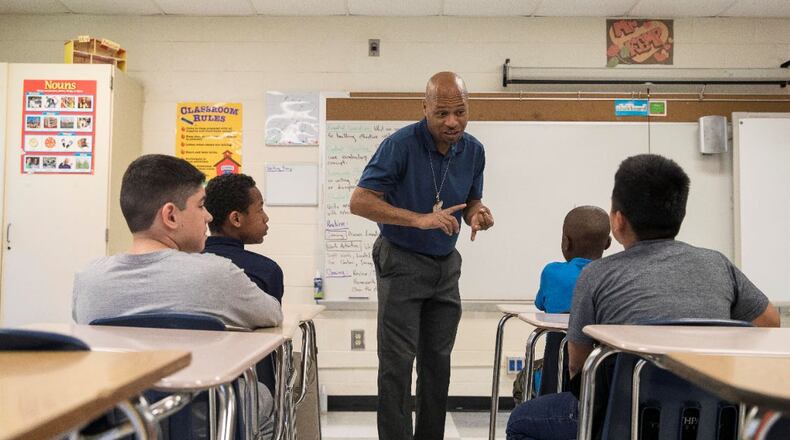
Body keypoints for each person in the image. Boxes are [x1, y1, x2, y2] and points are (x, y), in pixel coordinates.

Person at [506, 154, 780, 440]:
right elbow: (770, 322)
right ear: (680, 215)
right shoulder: (718, 264)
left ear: (618, 221)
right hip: (715, 420)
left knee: (521, 421)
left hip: (626, 420)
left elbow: (578, 365)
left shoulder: (597, 275)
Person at [72, 154, 282, 438]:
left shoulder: (88, 279)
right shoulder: (215, 274)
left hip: (121, 421)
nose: (208, 217)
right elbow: (271, 314)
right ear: (171, 216)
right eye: (201, 205)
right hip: (207, 420)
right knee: (264, 400)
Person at [349, 71, 495, 440]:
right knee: (397, 364)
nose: (452, 122)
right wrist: (419, 219)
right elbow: (360, 201)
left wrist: (477, 213)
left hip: (445, 265)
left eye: (460, 112)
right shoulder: (399, 145)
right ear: (424, 108)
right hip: (401, 259)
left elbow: (471, 199)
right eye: (442, 113)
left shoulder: (474, 149)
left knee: (437, 364)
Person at [514, 206, 610, 401]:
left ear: (566, 242)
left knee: (528, 380)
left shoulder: (552, 272)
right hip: (599, 379)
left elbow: (541, 304)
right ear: (607, 243)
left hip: (555, 374)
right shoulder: (612, 276)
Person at [203, 172, 284, 400]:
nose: (265, 218)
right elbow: (270, 328)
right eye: (260, 210)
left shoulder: (186, 264)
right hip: (247, 388)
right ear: (236, 219)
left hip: (192, 387)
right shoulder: (266, 271)